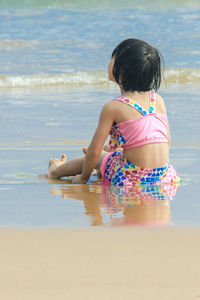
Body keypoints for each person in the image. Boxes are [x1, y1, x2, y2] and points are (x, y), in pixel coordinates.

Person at [48, 38, 181, 186]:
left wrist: (83, 178)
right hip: (164, 176)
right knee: (110, 152)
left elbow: (94, 151)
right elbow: (165, 141)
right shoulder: (158, 100)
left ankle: (55, 170)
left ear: (121, 69)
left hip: (132, 179)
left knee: (98, 157)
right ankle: (99, 169)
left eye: (112, 58)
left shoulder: (113, 107)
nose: (108, 63)